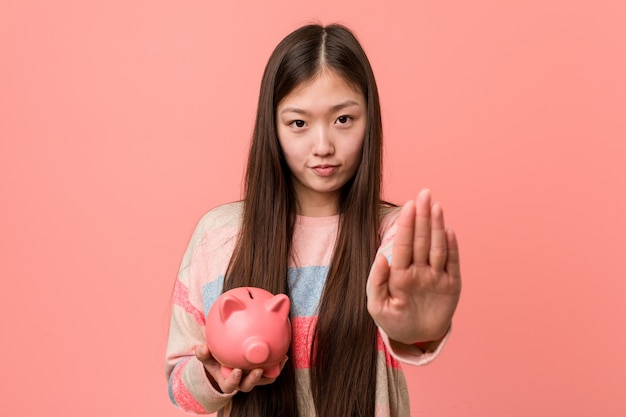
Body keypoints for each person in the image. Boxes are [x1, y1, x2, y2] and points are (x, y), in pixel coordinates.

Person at [165, 23, 461, 417]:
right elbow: (179, 388)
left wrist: (417, 330)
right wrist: (214, 376)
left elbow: (408, 325)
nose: (323, 146)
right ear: (273, 128)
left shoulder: (392, 235)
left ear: (369, 120)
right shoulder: (220, 237)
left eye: (343, 119)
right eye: (299, 124)